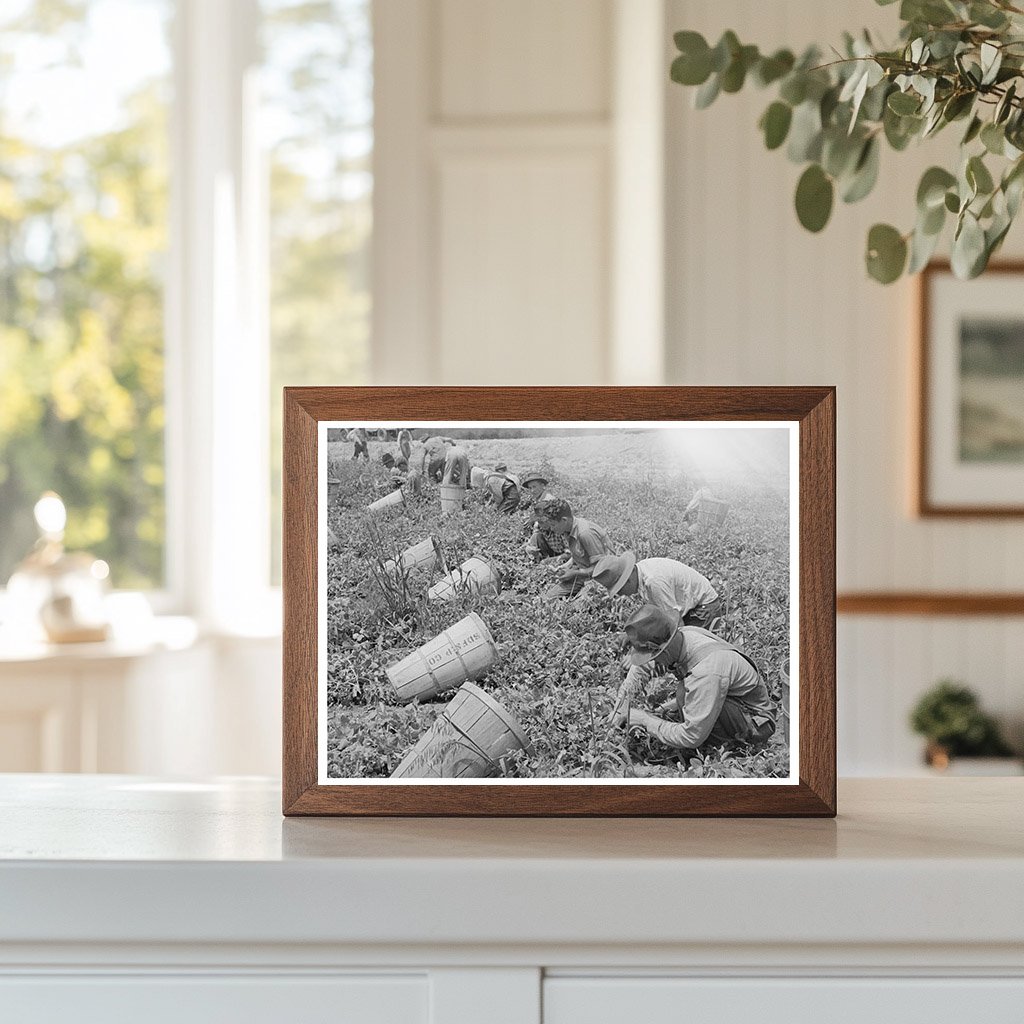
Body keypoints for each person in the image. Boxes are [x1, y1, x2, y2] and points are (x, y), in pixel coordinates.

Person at [589, 551, 723, 630]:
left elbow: (675, 623)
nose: (620, 594)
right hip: (690, 606)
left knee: (689, 650)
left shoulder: (653, 581)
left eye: (619, 589)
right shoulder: (642, 572)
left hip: (705, 609)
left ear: (628, 579)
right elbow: (659, 613)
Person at [535, 498, 613, 599]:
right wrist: (564, 567)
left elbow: (602, 567)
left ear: (564, 520)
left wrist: (574, 573)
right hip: (584, 574)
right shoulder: (567, 529)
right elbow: (577, 554)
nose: (552, 529)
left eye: (553, 525)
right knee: (545, 599)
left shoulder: (585, 533)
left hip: (602, 577)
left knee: (576, 608)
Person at [521, 471, 566, 561]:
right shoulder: (538, 499)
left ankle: (550, 558)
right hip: (549, 534)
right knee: (535, 537)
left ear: (542, 485)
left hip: (557, 536)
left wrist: (533, 521)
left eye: (535, 487)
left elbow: (548, 523)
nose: (532, 490)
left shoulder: (548, 500)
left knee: (536, 535)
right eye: (530, 488)